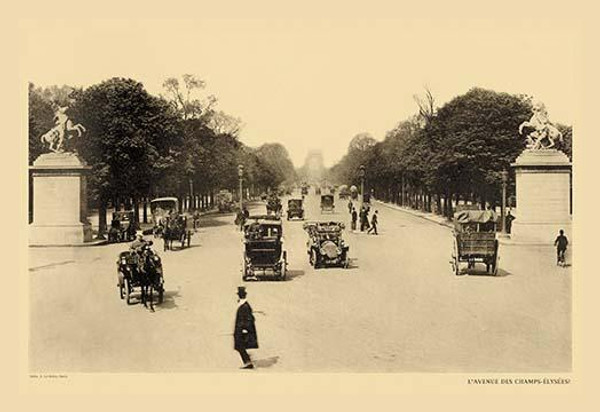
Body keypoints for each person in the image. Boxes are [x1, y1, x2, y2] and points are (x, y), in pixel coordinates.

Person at [234, 286, 258, 369]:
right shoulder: (243, 304)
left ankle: (248, 362)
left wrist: (245, 328)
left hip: (242, 329)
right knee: (239, 345)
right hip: (240, 329)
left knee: (239, 346)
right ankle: (247, 359)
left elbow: (250, 318)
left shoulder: (245, 306)